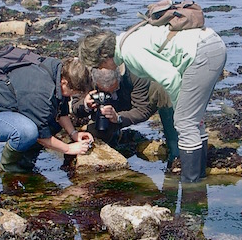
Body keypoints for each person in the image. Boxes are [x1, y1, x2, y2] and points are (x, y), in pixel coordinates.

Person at [78, 23, 226, 183]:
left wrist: (180, 113)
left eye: (98, 65)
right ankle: (199, 184)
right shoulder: (128, 40)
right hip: (211, 45)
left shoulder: (130, 52)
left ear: (104, 56)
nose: (100, 68)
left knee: (185, 123)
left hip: (202, 52)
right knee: (195, 122)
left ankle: (191, 188)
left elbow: (171, 79)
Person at [0, 54, 94, 173]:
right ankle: (9, 168)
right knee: (27, 132)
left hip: (11, 108)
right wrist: (68, 149)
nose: (72, 96)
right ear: (64, 83)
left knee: (53, 124)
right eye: (73, 93)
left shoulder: (59, 71)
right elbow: (42, 135)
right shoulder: (42, 91)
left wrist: (74, 134)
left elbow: (61, 112)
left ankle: (25, 159)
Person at [72, 65, 179, 166]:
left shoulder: (134, 71)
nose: (111, 94)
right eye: (105, 92)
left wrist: (118, 118)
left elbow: (142, 110)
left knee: (162, 89)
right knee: (91, 136)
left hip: (129, 106)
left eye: (114, 89)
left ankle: (175, 153)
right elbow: (75, 109)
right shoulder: (84, 74)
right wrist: (86, 105)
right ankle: (115, 136)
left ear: (119, 77)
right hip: (103, 120)